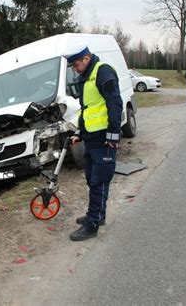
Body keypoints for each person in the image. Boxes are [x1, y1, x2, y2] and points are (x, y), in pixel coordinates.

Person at [63, 45, 123, 242]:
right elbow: (87, 109)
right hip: (91, 137)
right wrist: (80, 131)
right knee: (92, 178)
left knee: (99, 181)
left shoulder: (102, 71)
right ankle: (98, 215)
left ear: (87, 58)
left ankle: (92, 225)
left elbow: (115, 103)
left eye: (77, 64)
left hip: (104, 137)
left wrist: (113, 134)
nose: (75, 68)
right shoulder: (86, 77)